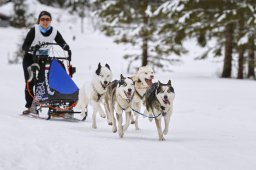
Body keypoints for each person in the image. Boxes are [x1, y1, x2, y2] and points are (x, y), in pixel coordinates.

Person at [22, 11, 70, 115]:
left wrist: (65, 46)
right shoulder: (34, 30)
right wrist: (32, 48)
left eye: (47, 19)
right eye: (43, 19)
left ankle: (56, 104)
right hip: (30, 58)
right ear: (39, 20)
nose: (45, 21)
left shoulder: (54, 31)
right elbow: (24, 46)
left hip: (43, 58)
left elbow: (62, 42)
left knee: (47, 80)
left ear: (50, 21)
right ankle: (30, 106)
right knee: (30, 82)